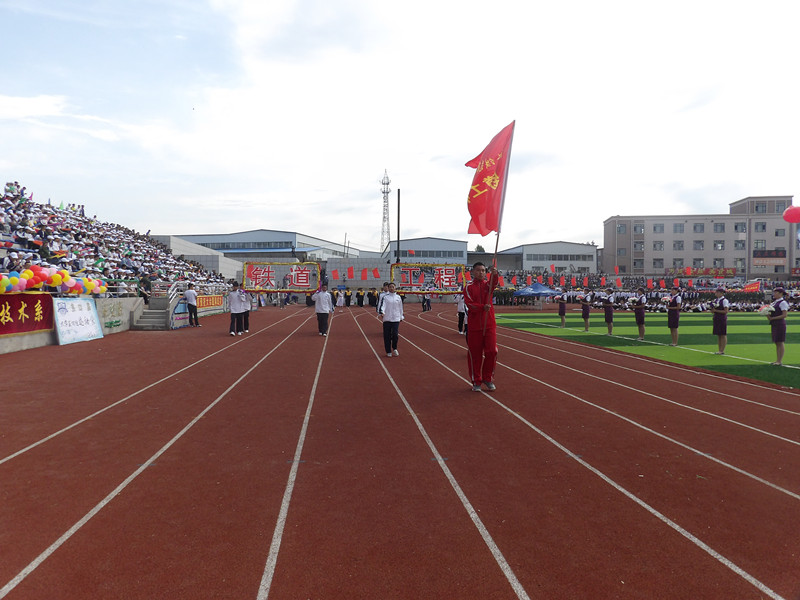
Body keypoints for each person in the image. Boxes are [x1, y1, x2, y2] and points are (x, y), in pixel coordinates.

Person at [464, 261, 499, 392]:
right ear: (473, 272)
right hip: (474, 326)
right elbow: (469, 304)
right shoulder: (468, 287)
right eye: (478, 270)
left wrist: (495, 274)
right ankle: (476, 381)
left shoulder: (487, 286)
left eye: (483, 270)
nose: (481, 273)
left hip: (489, 324)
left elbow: (493, 283)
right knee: (475, 354)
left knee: (492, 351)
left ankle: (487, 378)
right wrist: (482, 307)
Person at [379, 282, 404, 357]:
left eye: (393, 287)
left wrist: (401, 316)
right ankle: (388, 351)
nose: (391, 288)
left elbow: (400, 307)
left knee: (395, 334)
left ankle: (394, 348)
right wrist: (382, 312)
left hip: (396, 318)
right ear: (388, 288)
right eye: (390, 287)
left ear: (395, 288)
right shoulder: (385, 297)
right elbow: (383, 306)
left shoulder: (398, 297)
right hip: (387, 318)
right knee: (387, 335)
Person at [767, 287, 789, 366]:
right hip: (775, 323)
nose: (774, 294)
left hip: (779, 323)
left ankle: (779, 360)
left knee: (780, 342)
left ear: (780, 293)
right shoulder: (774, 302)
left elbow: (784, 315)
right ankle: (777, 360)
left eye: (776, 292)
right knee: (777, 342)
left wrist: (773, 318)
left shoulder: (782, 303)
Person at [710, 287, 729, 354]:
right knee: (719, 335)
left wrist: (715, 310)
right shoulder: (716, 300)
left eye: (717, 292)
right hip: (716, 318)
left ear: (721, 293)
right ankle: (719, 350)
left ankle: (722, 350)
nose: (716, 293)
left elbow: (726, 311)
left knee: (723, 334)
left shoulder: (724, 300)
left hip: (722, 318)